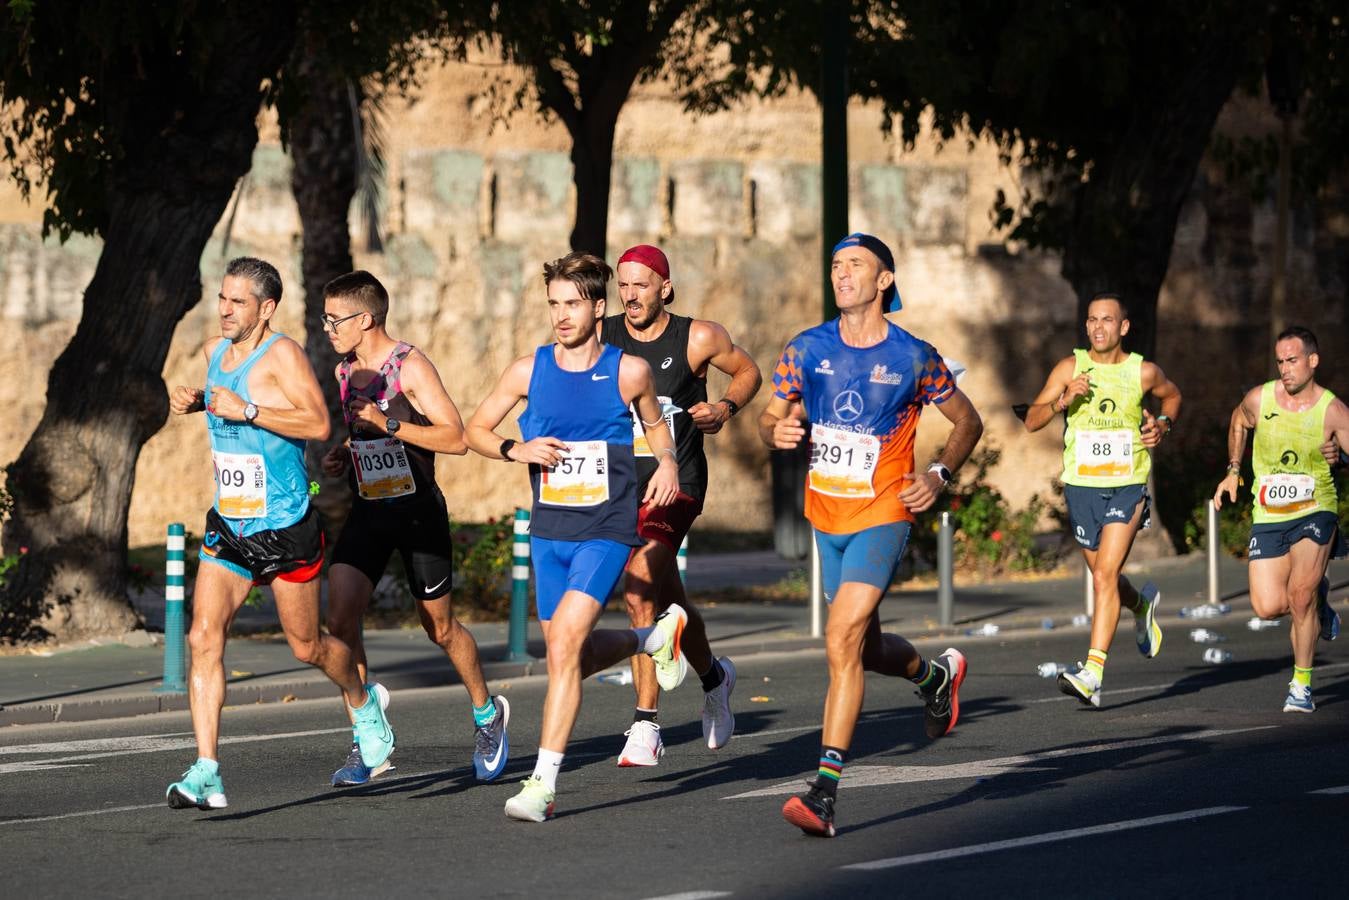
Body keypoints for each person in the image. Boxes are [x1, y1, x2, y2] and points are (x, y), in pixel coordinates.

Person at [759, 233, 983, 838]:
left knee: (840, 638)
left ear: (885, 279)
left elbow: (968, 419)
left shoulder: (913, 356)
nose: (842, 274)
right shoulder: (806, 348)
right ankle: (935, 679)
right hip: (827, 515)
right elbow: (771, 414)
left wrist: (937, 474)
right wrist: (772, 432)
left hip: (884, 511)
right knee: (865, 648)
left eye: (855, 265)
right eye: (835, 265)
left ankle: (825, 791)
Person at [465, 251, 687, 822]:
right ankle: (651, 640)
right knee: (571, 655)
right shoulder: (526, 369)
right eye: (553, 305)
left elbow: (660, 433)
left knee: (563, 644)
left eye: (572, 304)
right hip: (550, 532)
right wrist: (518, 449)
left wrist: (667, 465)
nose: (561, 315)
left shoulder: (627, 371)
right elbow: (474, 430)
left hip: (606, 530)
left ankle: (541, 784)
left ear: (597, 305)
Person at [165, 257, 392, 810]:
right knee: (203, 638)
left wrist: (246, 408)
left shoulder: (283, 354)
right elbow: (228, 417)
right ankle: (207, 770)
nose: (223, 309)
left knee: (307, 645)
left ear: (266, 310)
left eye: (237, 301)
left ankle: (364, 705)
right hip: (230, 524)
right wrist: (197, 402)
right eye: (222, 297)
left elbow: (317, 424)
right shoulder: (216, 354)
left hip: (285, 525)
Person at [317, 271, 509, 786]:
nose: (328, 328)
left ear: (366, 318)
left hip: (418, 511)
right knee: (340, 617)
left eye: (336, 319)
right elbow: (364, 431)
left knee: (439, 628)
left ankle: (487, 715)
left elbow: (456, 437)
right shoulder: (343, 371)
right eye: (325, 318)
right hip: (369, 509)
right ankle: (367, 729)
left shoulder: (410, 366)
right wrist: (347, 450)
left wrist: (388, 425)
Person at [600, 244, 762, 765]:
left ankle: (645, 725)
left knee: (640, 587)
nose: (630, 296)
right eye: (622, 285)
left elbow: (748, 372)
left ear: (664, 288)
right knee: (669, 598)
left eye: (640, 285)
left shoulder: (696, 336)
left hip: (678, 483)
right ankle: (715, 678)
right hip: (623, 487)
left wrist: (724, 406)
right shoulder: (604, 338)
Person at [1023, 293, 1181, 708]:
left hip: (1127, 483)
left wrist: (1162, 424)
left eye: (1107, 320)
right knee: (1105, 578)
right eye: (1092, 320)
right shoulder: (1069, 368)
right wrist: (1062, 400)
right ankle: (1142, 604)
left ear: (1123, 326)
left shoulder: (1142, 371)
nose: (1097, 327)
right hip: (1082, 487)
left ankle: (1092, 672)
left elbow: (1173, 397)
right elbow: (1031, 420)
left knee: (1104, 574)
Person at [1213, 326, 1348, 712]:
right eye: (1280, 361)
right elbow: (1239, 421)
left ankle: (1301, 686)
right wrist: (1234, 469)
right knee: (1268, 606)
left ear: (1313, 361)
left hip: (1315, 509)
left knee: (1299, 595)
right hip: (1269, 513)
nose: (1285, 369)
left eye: (1292, 360)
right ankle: (1320, 600)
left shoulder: (1333, 411)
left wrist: (1340, 456)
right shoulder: (1260, 398)